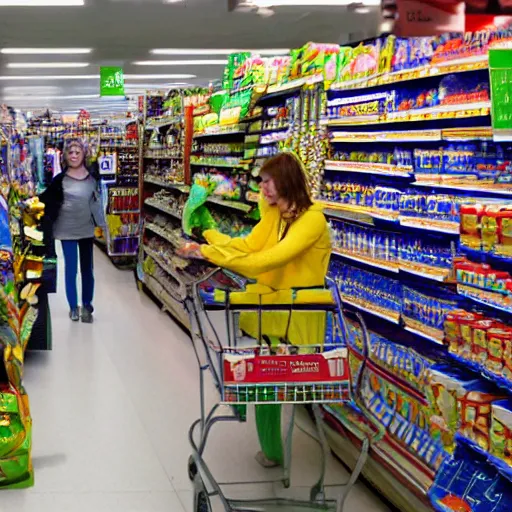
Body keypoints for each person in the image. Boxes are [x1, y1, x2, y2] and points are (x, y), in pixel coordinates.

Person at [181, 152, 332, 468]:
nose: (262, 188)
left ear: (286, 180)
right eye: (261, 182)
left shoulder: (312, 220)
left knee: (269, 379)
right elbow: (247, 246)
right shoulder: (276, 217)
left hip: (299, 318)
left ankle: (271, 447)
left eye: (267, 180)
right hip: (274, 313)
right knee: (265, 379)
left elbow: (268, 260)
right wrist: (205, 234)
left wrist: (212, 255)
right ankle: (272, 450)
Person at [40, 138, 105, 323]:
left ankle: (87, 305)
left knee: (88, 270)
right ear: (65, 156)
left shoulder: (93, 177)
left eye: (78, 152)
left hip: (86, 228)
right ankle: (73, 307)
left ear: (84, 154)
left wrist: (102, 225)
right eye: (71, 152)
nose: (74, 155)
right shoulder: (59, 180)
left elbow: (96, 202)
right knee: (71, 269)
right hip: (66, 229)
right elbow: (45, 199)